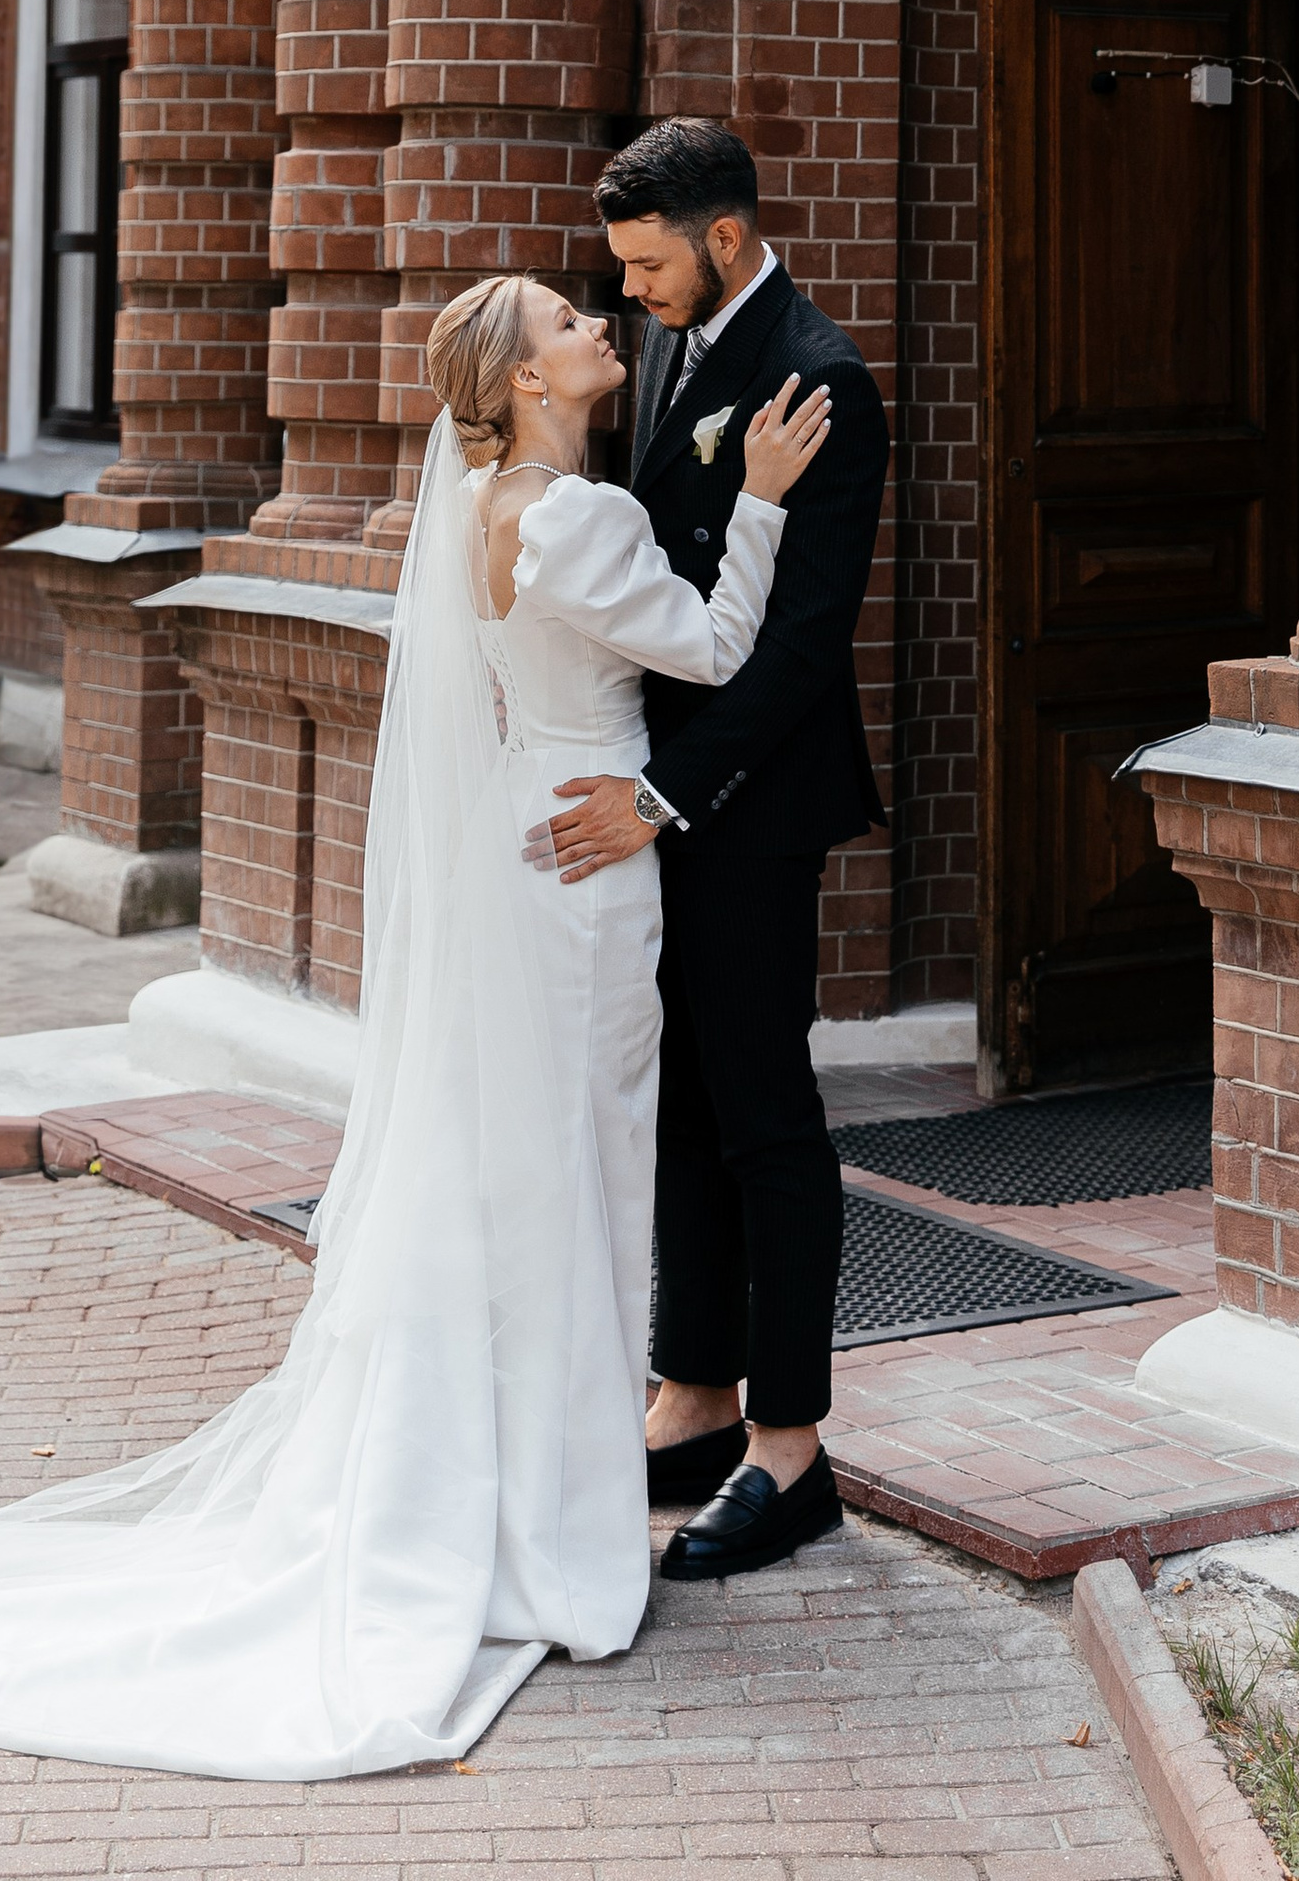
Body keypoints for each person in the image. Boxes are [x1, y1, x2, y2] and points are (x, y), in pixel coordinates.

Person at [0, 278, 831, 1781]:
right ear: (525, 379)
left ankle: (510, 1496)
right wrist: (756, 502)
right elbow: (720, 650)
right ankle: (551, 1540)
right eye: (568, 323)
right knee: (580, 1181)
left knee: (520, 1173)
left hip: (522, 840)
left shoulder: (492, 503)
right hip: (587, 870)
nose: (596, 329)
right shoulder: (580, 519)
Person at [555, 116, 891, 1583]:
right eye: (621, 271)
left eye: (647, 264)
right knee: (680, 1104)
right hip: (661, 796)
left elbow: (805, 645)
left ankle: (791, 1449)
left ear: (728, 239)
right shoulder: (678, 355)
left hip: (748, 805)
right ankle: (689, 1397)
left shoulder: (822, 375)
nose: (631, 293)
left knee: (764, 1117)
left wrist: (667, 796)